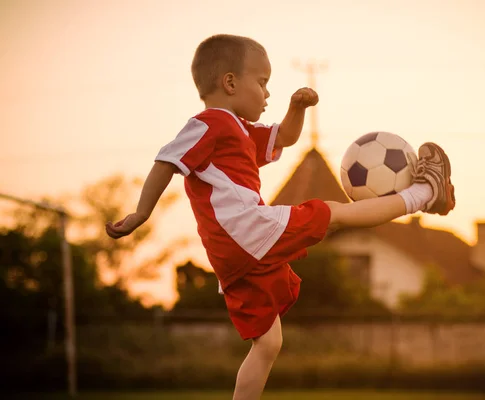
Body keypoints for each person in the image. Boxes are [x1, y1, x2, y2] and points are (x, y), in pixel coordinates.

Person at [105, 34, 455, 400]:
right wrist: (140, 213)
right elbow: (165, 161)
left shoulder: (240, 130)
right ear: (229, 83)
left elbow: (285, 136)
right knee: (334, 212)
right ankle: (425, 192)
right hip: (247, 229)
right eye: (262, 83)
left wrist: (297, 107)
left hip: (233, 257)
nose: (267, 93)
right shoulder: (210, 123)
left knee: (269, 343)